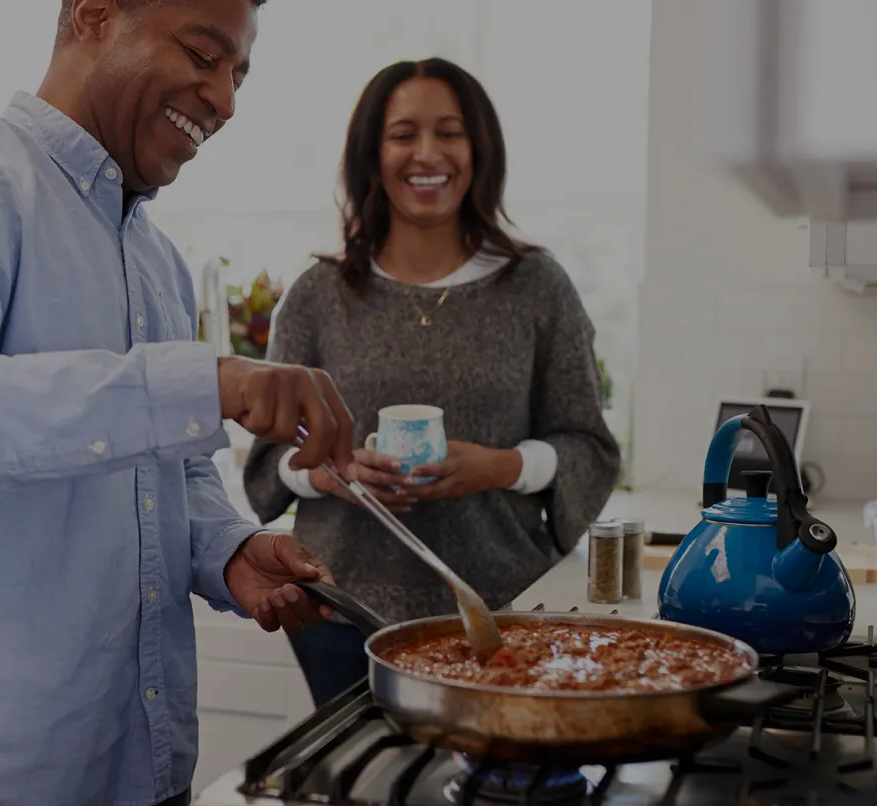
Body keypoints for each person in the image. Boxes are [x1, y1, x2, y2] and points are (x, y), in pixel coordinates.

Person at [0, 2, 356, 806]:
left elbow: (171, 474)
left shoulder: (158, 262)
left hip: (139, 762)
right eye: (202, 53)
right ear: (94, 15)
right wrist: (203, 382)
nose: (224, 99)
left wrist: (225, 549)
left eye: (238, 74)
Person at [243, 58, 622, 706]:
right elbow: (269, 467)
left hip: (503, 612)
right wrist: (343, 474)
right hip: (343, 617)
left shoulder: (537, 288)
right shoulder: (317, 297)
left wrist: (499, 466)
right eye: (402, 134)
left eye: (449, 132)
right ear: (372, 153)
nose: (427, 153)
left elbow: (589, 447)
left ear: (479, 149)